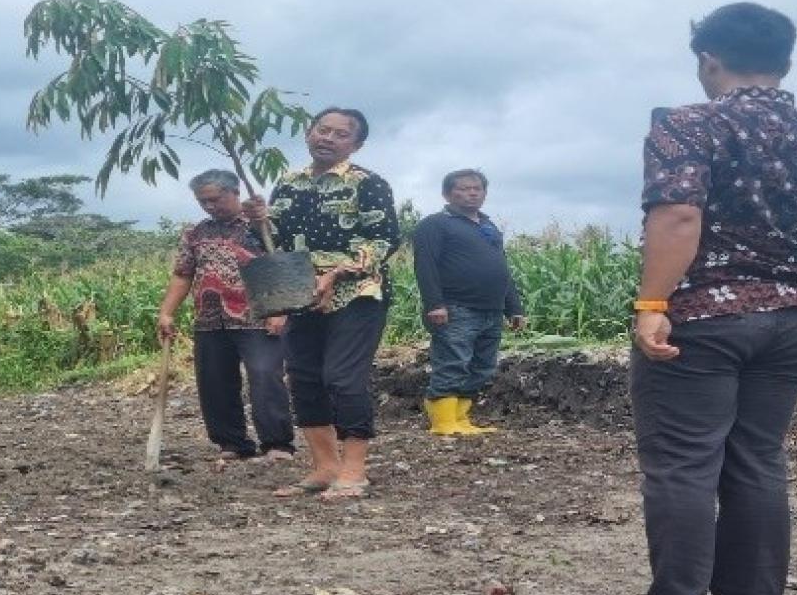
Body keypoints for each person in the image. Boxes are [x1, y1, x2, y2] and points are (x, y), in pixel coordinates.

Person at [630, 3, 797, 595]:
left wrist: (652, 305)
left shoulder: (687, 125)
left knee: (684, 460)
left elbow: (678, 216)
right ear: (785, 63)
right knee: (757, 459)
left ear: (709, 60)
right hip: (795, 315)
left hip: (705, 315)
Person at [242, 107, 400, 500]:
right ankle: (325, 467)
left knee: (343, 378)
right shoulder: (289, 182)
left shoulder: (368, 183)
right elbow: (274, 240)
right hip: (301, 292)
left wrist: (336, 274)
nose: (328, 138)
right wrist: (259, 221)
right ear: (309, 133)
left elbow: (383, 240)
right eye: (322, 130)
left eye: (340, 134)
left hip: (357, 294)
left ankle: (354, 470)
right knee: (304, 377)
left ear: (356, 145)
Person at [157, 169, 296, 462]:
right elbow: (183, 274)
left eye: (215, 199)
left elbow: (284, 266)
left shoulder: (262, 227)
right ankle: (232, 442)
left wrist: (280, 310)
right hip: (210, 319)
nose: (209, 206)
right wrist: (166, 312)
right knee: (215, 382)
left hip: (256, 317)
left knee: (265, 376)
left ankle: (277, 443)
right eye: (202, 201)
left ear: (234, 193)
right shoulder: (195, 233)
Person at [413, 169, 525, 435]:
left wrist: (514, 308)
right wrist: (434, 304)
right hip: (455, 308)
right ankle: (443, 422)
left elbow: (502, 269)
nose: (472, 193)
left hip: (491, 310)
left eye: (477, 188)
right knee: (453, 362)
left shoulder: (488, 227)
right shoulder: (435, 224)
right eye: (463, 189)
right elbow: (425, 266)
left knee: (482, 367)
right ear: (447, 194)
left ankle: (461, 419)